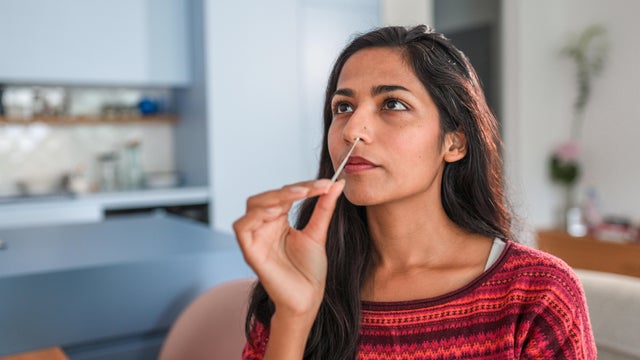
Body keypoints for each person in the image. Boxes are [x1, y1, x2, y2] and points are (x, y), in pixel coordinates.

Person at [233, 25, 596, 359]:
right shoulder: (299, 277)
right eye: (343, 107)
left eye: (393, 104)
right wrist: (294, 316)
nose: (352, 130)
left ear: (454, 142)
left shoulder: (538, 293)